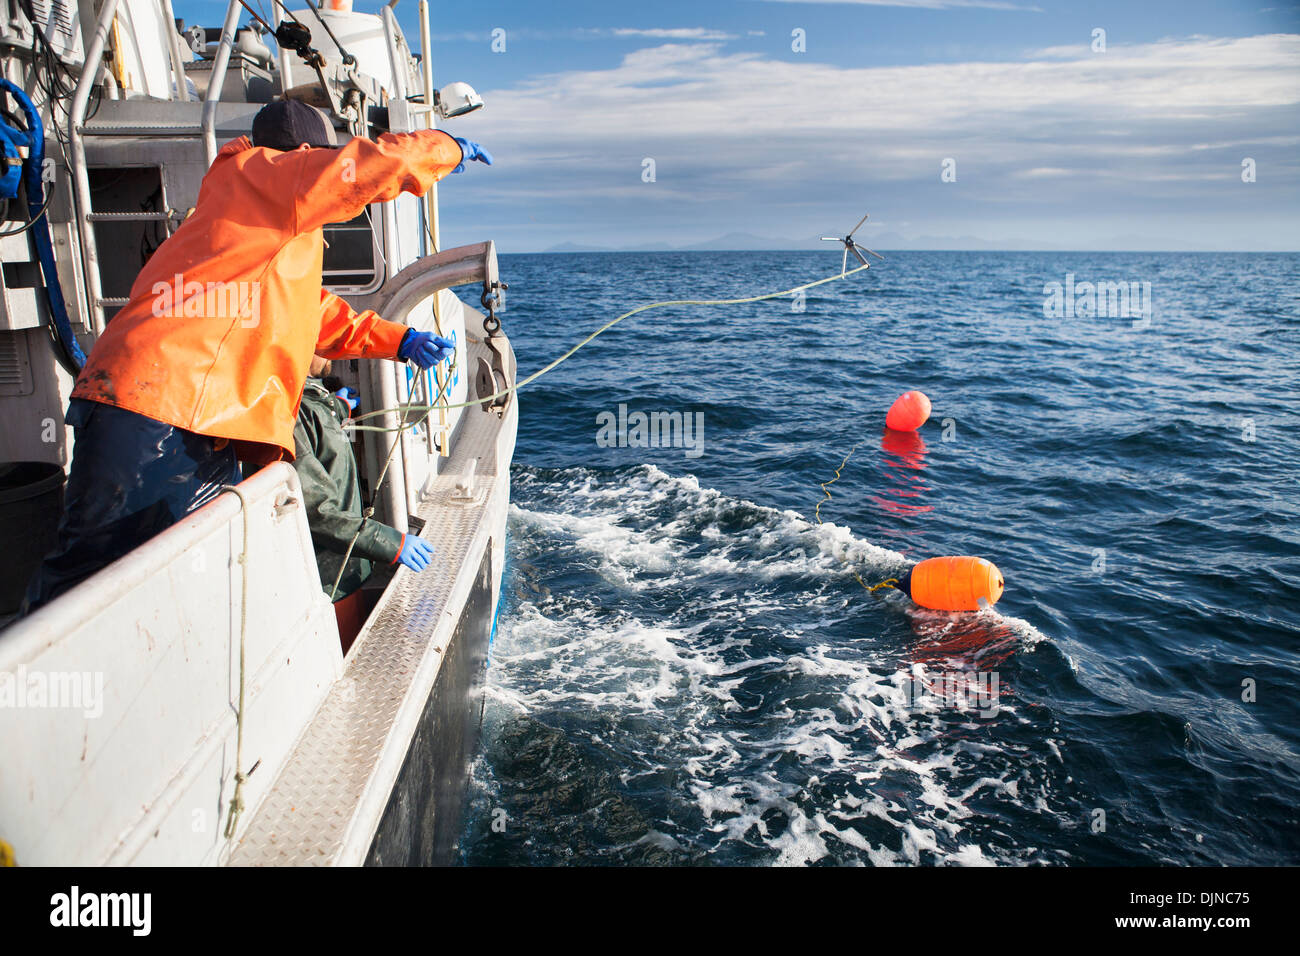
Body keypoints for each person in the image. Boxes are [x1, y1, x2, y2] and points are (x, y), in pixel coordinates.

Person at [23, 99, 492, 611]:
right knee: (93, 570)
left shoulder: (257, 216)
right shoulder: (262, 175)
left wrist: (397, 340)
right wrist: (446, 148)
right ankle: (30, 682)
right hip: (158, 405)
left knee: (173, 564)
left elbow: (303, 310)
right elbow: (369, 167)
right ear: (304, 154)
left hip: (186, 412)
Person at [293, 355, 433, 650]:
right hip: (327, 582)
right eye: (319, 342)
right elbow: (316, 513)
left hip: (347, 573)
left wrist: (336, 406)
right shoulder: (291, 413)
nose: (329, 350)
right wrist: (392, 543)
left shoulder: (309, 399)